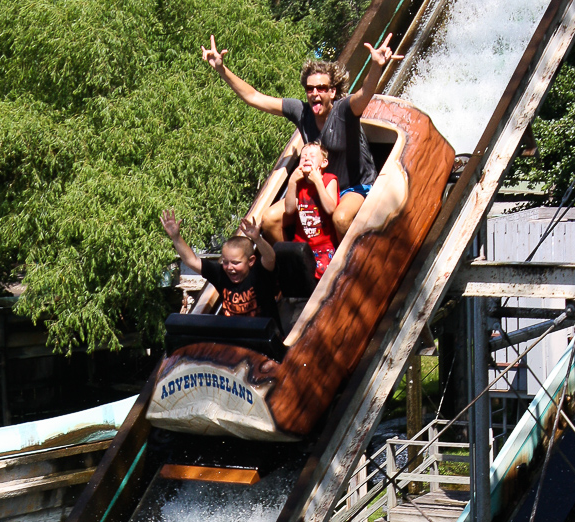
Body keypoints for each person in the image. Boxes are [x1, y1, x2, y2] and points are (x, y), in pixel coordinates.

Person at [201, 33, 401, 243]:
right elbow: (253, 97)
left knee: (340, 218)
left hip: (355, 186)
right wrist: (221, 70)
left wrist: (377, 66)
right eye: (310, 89)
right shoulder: (301, 112)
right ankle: (295, 268)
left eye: (321, 88)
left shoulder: (344, 111)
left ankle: (349, 269)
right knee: (269, 219)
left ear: (332, 92)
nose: (315, 93)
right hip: (320, 184)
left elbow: (365, 93)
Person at [160, 210, 280, 322]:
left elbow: (270, 258)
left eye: (236, 263)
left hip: (263, 337)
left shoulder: (259, 274)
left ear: (251, 261)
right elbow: (191, 260)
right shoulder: (220, 274)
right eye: (226, 262)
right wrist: (176, 237)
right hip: (234, 336)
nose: (229, 267)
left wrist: (257, 239)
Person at [284, 142, 339, 279]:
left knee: (322, 271)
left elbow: (330, 208)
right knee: (290, 270)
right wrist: (292, 182)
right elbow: (289, 209)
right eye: (303, 157)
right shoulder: (298, 183)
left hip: (325, 246)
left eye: (312, 156)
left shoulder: (329, 180)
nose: (307, 159)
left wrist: (318, 182)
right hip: (301, 244)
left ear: (324, 162)